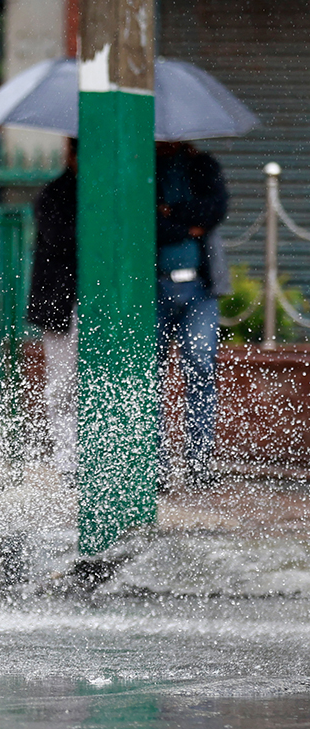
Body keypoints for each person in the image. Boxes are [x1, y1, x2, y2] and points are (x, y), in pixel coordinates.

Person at [155, 141, 229, 485]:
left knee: (201, 367)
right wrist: (185, 223)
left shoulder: (204, 166)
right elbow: (146, 223)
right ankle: (155, 463)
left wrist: (174, 211)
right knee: (150, 374)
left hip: (200, 286)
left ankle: (199, 462)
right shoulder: (143, 167)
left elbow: (215, 210)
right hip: (153, 286)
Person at [27, 139, 78, 480]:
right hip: (61, 302)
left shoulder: (110, 193)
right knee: (62, 384)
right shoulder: (54, 194)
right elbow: (61, 238)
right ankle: (67, 459)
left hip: (92, 300)